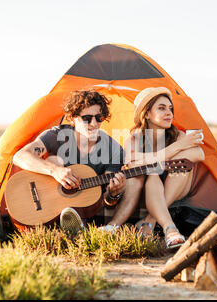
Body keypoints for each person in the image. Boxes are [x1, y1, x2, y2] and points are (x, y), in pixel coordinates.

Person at [13, 89, 126, 234]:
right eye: (87, 118)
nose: (94, 123)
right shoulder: (57, 135)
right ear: (73, 118)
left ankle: (74, 226)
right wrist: (54, 170)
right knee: (54, 159)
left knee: (89, 196)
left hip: (87, 208)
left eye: (99, 117)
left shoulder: (113, 149)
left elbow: (107, 202)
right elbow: (20, 156)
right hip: (46, 202)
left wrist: (113, 194)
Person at [104, 87, 205, 250]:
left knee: (182, 168)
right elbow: (132, 163)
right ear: (147, 113)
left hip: (176, 187)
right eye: (161, 108)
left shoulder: (177, 135)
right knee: (152, 175)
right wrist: (177, 148)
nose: (169, 113)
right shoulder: (135, 137)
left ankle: (150, 220)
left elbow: (199, 154)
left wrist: (151, 159)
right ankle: (170, 229)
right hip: (144, 191)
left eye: (170, 108)